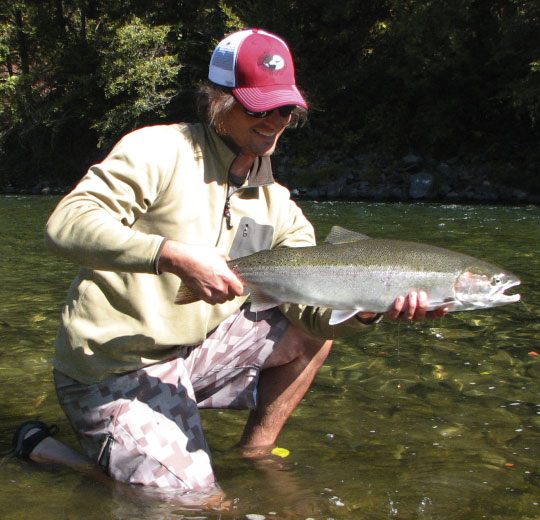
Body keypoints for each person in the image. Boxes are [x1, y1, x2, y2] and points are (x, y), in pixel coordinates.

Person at [12, 28, 447, 502]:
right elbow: (67, 223)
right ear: (218, 101)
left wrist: (371, 309)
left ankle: (253, 455)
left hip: (193, 356)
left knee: (307, 334)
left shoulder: (277, 205)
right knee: (195, 506)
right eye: (260, 107)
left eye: (285, 109)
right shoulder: (160, 150)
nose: (274, 121)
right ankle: (53, 452)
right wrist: (170, 255)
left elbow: (314, 316)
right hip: (112, 369)